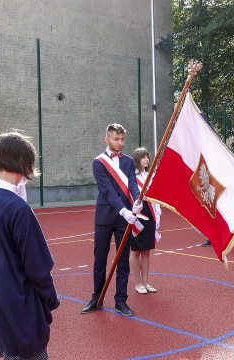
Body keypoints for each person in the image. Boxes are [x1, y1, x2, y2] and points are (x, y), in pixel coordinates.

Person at [0, 132, 60, 359]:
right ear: (25, 162)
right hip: (19, 305)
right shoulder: (18, 209)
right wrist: (52, 299)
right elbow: (38, 268)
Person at [81, 124, 141, 317]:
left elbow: (132, 182)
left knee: (123, 260)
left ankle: (120, 301)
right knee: (100, 259)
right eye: (116, 139)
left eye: (122, 139)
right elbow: (106, 190)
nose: (120, 143)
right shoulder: (98, 163)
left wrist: (138, 200)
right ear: (107, 139)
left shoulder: (129, 161)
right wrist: (124, 211)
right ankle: (96, 298)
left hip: (126, 218)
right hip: (106, 216)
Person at [129, 147, 161, 294]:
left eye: (147, 157)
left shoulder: (151, 175)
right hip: (137, 216)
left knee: (147, 250)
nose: (147, 159)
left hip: (150, 214)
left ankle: (146, 282)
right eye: (143, 157)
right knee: (136, 250)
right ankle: (138, 283)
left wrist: (158, 216)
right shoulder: (131, 177)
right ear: (137, 159)